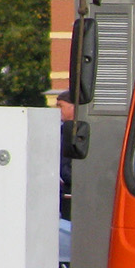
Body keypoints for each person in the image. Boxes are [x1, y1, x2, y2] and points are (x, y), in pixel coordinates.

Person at [56, 89, 74, 220]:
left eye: (60, 106)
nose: (58, 110)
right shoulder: (60, 130)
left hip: (73, 191)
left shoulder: (79, 133)